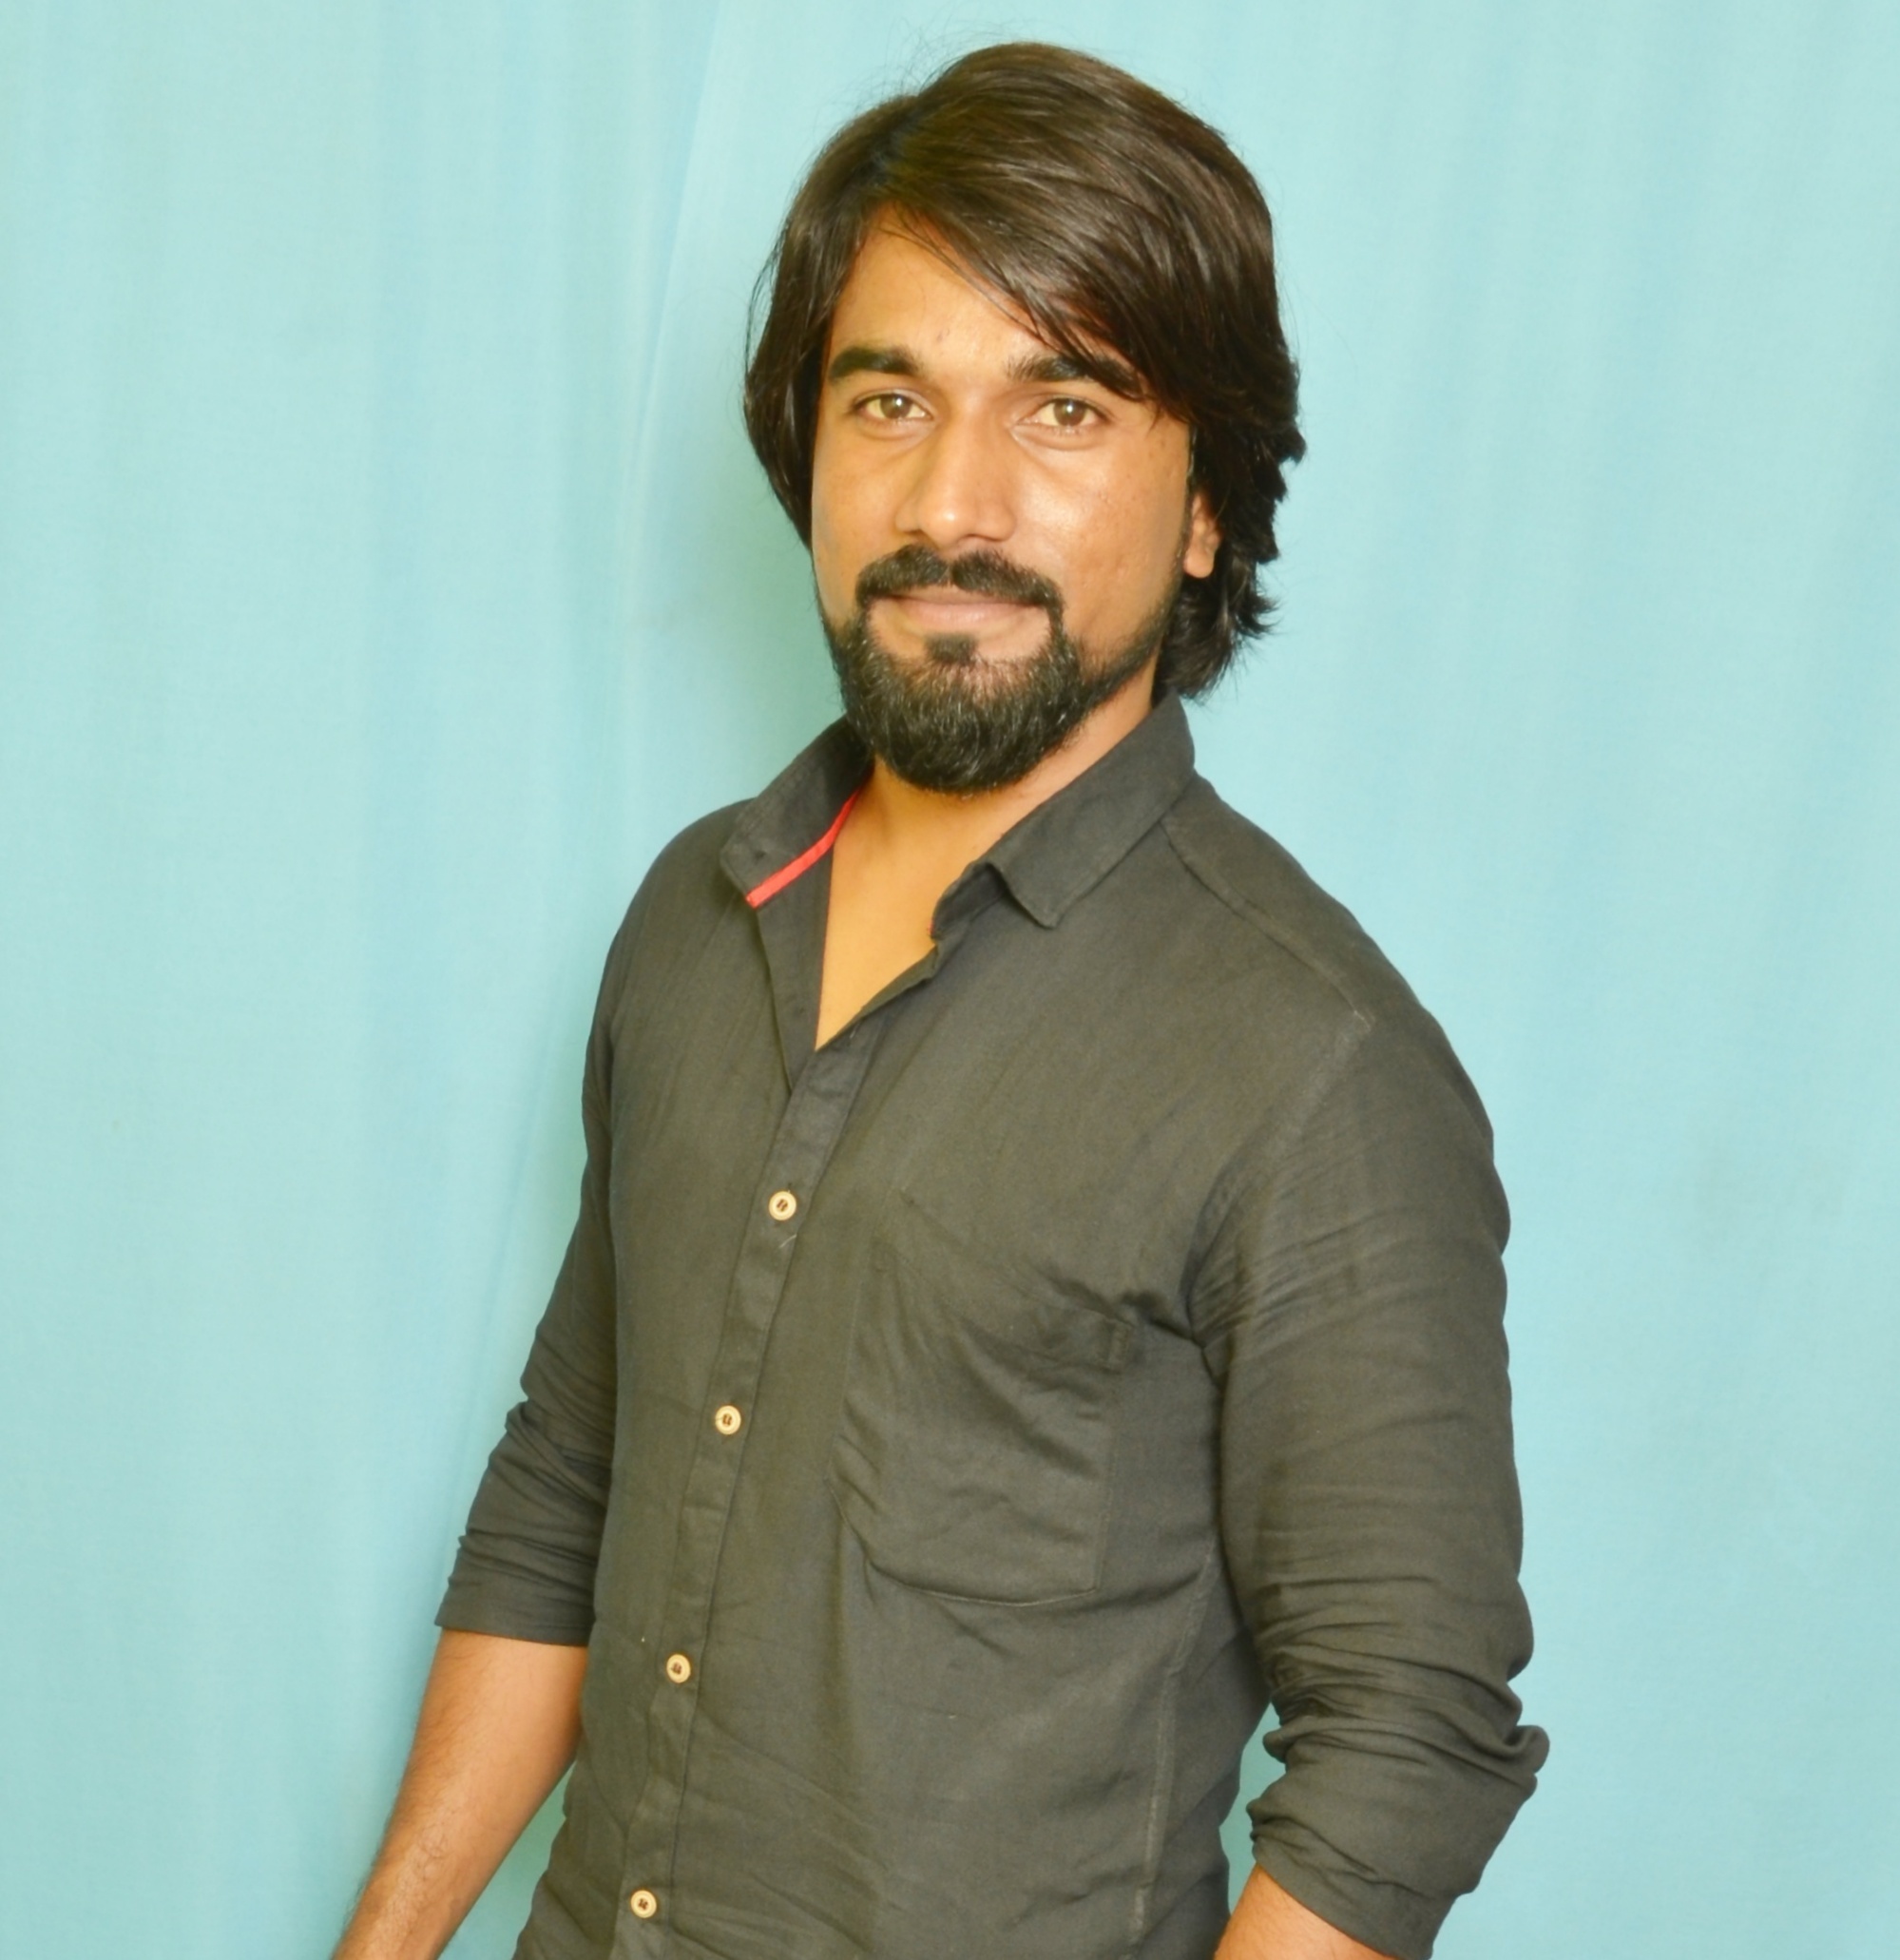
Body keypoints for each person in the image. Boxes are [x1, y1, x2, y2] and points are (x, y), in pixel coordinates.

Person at [334, 42, 1545, 1960]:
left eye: (1063, 407)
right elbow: (569, 1483)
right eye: (889, 399)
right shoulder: (692, 918)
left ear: (1209, 503)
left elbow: (1411, 1736)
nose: (953, 500)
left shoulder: (1316, 1066)